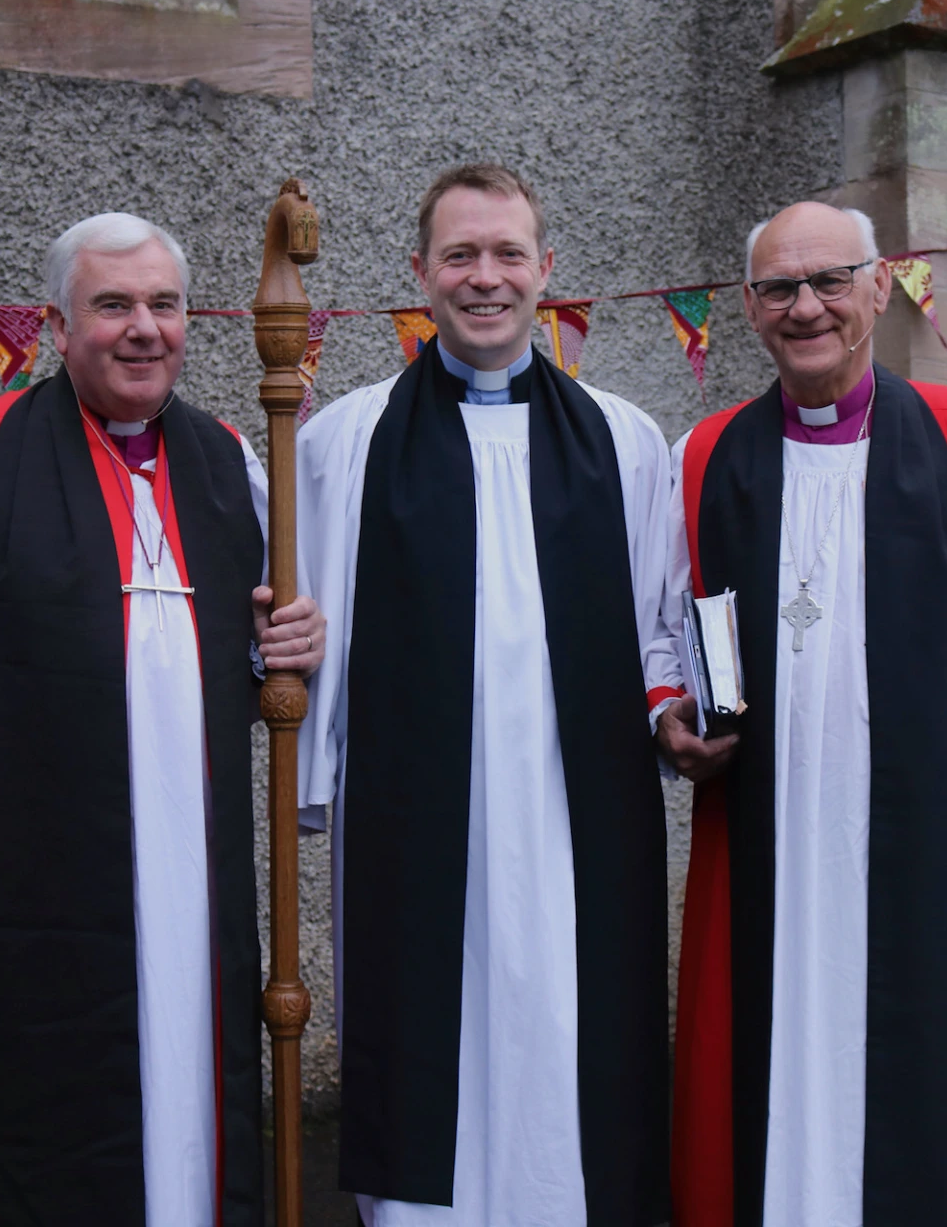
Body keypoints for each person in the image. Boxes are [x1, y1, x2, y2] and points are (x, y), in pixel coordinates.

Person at [0, 212, 325, 1227]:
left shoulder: (232, 461)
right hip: (35, 882)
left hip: (198, 883)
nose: (143, 328)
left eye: (164, 305)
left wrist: (286, 645)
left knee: (198, 1095)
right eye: (113, 306)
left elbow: (241, 658)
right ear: (59, 327)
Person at [659, 202, 947, 1227]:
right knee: (768, 1074)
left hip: (932, 853)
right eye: (780, 288)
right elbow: (666, 626)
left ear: (880, 287)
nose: (807, 306)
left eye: (832, 280)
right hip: (766, 852)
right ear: (748, 308)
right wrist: (669, 716)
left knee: (929, 1094)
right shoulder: (703, 456)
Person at [296, 164, 678, 1226]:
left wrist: (671, 710)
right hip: (416, 827)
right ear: (419, 273)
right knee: (432, 1038)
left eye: (509, 253)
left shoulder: (624, 440)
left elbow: (661, 627)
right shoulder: (346, 441)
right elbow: (302, 636)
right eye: (460, 254)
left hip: (575, 819)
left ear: (547, 271)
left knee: (572, 1034)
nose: (486, 276)